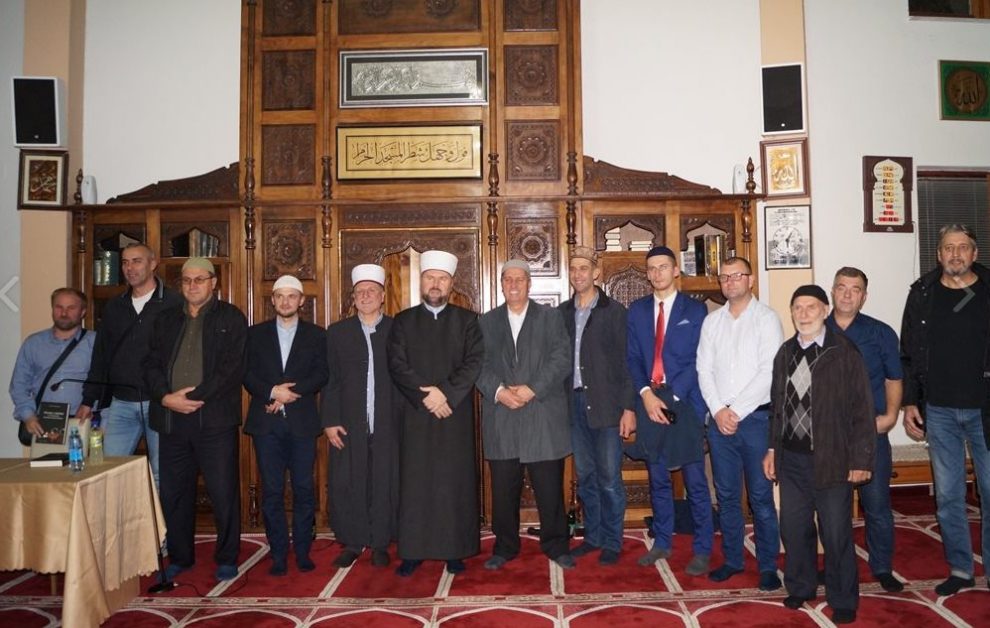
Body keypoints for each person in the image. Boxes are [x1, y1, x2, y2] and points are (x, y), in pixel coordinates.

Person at [763, 285, 874, 625]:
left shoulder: (844, 352)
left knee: (836, 533)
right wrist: (772, 449)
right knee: (794, 528)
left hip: (832, 459)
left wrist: (861, 460)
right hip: (792, 460)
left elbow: (862, 409)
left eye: (811, 307)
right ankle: (801, 586)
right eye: (797, 307)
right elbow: (777, 408)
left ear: (825, 311)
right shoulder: (785, 353)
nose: (804, 314)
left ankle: (843, 598)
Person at [144, 257, 247, 583]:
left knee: (223, 491)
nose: (192, 285)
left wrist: (195, 397)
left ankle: (227, 557)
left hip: (214, 420)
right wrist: (165, 397)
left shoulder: (231, 317)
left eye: (199, 279)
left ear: (213, 282)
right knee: (174, 493)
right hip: (172, 419)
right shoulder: (165, 319)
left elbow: (231, 368)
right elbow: (150, 364)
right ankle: (180, 556)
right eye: (187, 280)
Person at [901, 223, 990, 596]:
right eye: (949, 248)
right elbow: (908, 352)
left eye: (963, 247)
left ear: (974, 253)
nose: (956, 254)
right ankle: (960, 569)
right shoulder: (922, 293)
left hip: (985, 411)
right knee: (949, 496)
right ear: (939, 255)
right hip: (938, 410)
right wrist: (910, 401)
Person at [387, 250, 484, 576]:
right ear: (421, 281)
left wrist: (446, 393)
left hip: (454, 415)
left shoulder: (467, 321)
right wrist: (426, 396)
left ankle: (455, 550)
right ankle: (413, 551)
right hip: (416, 415)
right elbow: (397, 364)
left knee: (453, 482)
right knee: (416, 483)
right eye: (430, 277)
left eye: (442, 279)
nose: (435, 284)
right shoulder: (403, 321)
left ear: (451, 284)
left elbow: (474, 362)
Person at [478, 260, 575, 570]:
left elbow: (562, 358)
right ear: (501, 284)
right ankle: (505, 546)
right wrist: (500, 392)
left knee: (550, 489)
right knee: (503, 491)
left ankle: (556, 544)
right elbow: (477, 364)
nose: (514, 284)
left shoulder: (550, 317)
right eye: (508, 279)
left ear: (529, 284)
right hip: (502, 416)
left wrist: (533, 389)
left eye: (520, 279)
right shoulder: (486, 322)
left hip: (542, 415)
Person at [625, 246, 713, 575]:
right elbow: (632, 357)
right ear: (647, 274)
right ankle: (662, 541)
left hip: (684, 404)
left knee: (695, 481)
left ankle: (702, 548)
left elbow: (699, 359)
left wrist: (672, 397)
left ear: (676, 270)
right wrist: (646, 394)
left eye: (663, 267)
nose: (657, 273)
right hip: (649, 402)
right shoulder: (636, 311)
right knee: (658, 478)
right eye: (652, 268)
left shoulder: (696, 310)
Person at [696, 257, 782, 590]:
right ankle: (733, 560)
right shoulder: (712, 322)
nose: (730, 282)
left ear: (751, 280)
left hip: (755, 420)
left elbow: (769, 372)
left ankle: (767, 566)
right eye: (724, 277)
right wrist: (719, 410)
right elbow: (704, 370)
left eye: (737, 276)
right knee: (727, 496)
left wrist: (736, 411)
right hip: (719, 422)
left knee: (760, 496)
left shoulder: (766, 319)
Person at [77, 243, 182, 486]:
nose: (129, 268)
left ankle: (159, 514)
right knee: (108, 471)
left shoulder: (174, 303)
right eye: (125, 262)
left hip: (159, 402)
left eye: (136, 261)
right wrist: (89, 399)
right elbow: (101, 355)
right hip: (121, 402)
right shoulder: (115, 306)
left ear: (153, 264)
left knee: (162, 473)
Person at [827, 266, 904, 593]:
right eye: (841, 287)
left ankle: (882, 567)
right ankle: (837, 566)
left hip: (870, 433)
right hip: (831, 437)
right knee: (834, 509)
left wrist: (890, 417)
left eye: (855, 289)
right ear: (832, 291)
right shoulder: (816, 329)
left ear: (864, 296)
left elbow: (894, 378)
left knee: (877, 504)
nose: (847, 294)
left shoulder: (880, 332)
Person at [243, 274, 327, 576]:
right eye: (280, 296)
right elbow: (246, 373)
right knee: (272, 491)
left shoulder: (317, 335)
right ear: (273, 300)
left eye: (292, 296)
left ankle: (302, 551)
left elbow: (322, 374)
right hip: (266, 426)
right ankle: (278, 553)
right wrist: (271, 391)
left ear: (301, 301)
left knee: (304, 489)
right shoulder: (255, 334)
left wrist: (288, 394)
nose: (286, 301)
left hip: (302, 424)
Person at [558, 246, 636, 566]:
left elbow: (628, 363)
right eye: (573, 268)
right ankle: (593, 537)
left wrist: (629, 408)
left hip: (607, 407)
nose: (578, 274)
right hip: (573, 405)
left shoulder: (614, 312)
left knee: (609, 478)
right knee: (586, 477)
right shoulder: (561, 313)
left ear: (596, 273)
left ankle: (613, 541)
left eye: (583, 268)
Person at [323, 264, 400, 569]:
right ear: (353, 298)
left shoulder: (397, 329)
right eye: (360, 292)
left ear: (382, 296)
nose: (365, 296)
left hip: (387, 422)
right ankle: (353, 542)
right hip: (348, 423)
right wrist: (329, 421)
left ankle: (380, 542)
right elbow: (330, 381)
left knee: (383, 481)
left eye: (372, 291)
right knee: (349, 482)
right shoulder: (337, 332)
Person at [10, 288, 95, 440]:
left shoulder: (95, 342)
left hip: (84, 421)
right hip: (43, 423)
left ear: (83, 312)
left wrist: (105, 424)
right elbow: (19, 385)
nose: (64, 313)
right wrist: (28, 416)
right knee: (47, 458)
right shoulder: (33, 343)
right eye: (59, 307)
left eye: (71, 308)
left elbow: (106, 384)